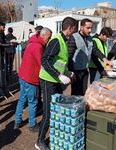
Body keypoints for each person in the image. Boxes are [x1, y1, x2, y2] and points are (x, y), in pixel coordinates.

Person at [35, 17, 77, 150]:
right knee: (48, 113)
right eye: (74, 29)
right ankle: (40, 141)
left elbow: (59, 61)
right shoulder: (57, 40)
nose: (74, 31)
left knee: (55, 109)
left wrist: (67, 72)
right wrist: (59, 75)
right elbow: (45, 60)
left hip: (55, 79)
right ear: (70, 28)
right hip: (48, 80)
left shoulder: (64, 40)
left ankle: (54, 134)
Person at [14, 27, 52, 132]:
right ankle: (32, 124)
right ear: (43, 35)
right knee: (33, 102)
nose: (48, 40)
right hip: (30, 78)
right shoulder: (38, 47)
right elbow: (42, 63)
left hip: (23, 76)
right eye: (49, 38)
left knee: (22, 99)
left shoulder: (32, 43)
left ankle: (17, 121)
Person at [68, 18, 110, 95]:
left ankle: (81, 106)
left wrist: (104, 58)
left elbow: (95, 50)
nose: (90, 30)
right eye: (88, 28)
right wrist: (70, 71)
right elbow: (69, 56)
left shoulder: (90, 38)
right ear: (81, 27)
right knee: (76, 93)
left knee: (84, 92)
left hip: (85, 70)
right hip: (76, 71)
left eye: (91, 28)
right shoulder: (74, 37)